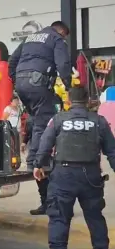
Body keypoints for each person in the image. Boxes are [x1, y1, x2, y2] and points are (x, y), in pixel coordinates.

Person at [33, 86, 115, 249]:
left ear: (68, 100)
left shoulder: (58, 119)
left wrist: (38, 165)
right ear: (88, 101)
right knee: (95, 218)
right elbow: (112, 152)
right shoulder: (99, 121)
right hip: (91, 177)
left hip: (63, 176)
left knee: (59, 219)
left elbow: (45, 145)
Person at [8, 21, 72, 190]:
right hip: (38, 84)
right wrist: (69, 86)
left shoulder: (30, 38)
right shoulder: (57, 39)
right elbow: (63, 65)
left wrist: (16, 80)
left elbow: (12, 60)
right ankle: (35, 161)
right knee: (43, 123)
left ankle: (33, 158)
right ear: (62, 31)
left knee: (36, 120)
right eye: (65, 35)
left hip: (22, 86)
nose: (64, 37)